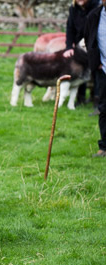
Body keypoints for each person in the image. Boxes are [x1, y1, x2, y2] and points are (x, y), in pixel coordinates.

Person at [64, 0, 100, 106]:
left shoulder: (97, 8)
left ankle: (97, 101)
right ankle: (81, 98)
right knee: (80, 70)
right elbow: (70, 28)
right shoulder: (73, 9)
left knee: (96, 72)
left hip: (95, 45)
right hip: (80, 47)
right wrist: (69, 47)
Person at [84, 0, 106, 157]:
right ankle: (104, 147)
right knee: (104, 108)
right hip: (103, 69)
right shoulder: (94, 16)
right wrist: (96, 62)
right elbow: (89, 40)